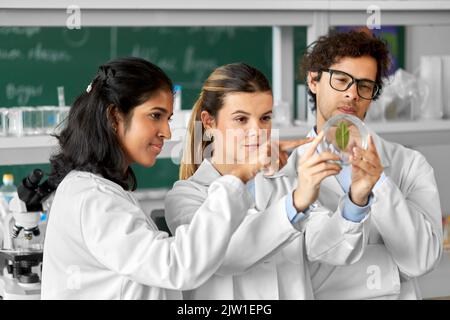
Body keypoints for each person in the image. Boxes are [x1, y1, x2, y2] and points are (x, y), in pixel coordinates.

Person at [40, 57, 257, 300]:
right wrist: (236, 179)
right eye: (155, 115)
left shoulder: (95, 189)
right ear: (114, 117)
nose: (166, 131)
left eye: (169, 119)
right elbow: (177, 267)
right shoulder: (93, 199)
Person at [165, 62, 371, 300]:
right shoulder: (185, 197)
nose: (257, 131)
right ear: (209, 123)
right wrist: (294, 205)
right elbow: (228, 257)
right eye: (241, 120)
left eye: (264, 118)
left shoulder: (284, 182)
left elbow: (329, 249)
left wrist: (357, 198)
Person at [278, 30, 442, 299]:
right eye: (341, 80)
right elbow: (309, 260)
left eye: (364, 86)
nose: (352, 94)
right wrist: (384, 256)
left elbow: (421, 260)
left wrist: (381, 184)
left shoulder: (409, 164)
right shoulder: (285, 169)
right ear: (313, 80)